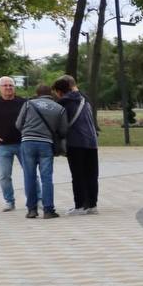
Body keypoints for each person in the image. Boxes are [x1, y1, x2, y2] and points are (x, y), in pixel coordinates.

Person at [16, 84, 67, 220]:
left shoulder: (28, 104)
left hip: (27, 143)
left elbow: (18, 124)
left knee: (29, 176)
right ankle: (48, 210)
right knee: (47, 178)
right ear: (51, 93)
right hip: (46, 144)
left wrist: (28, 132)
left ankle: (32, 210)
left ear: (36, 93)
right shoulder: (59, 108)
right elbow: (63, 131)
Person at [52, 75, 100, 214]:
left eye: (56, 92)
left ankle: (79, 206)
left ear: (60, 91)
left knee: (78, 175)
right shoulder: (85, 99)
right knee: (91, 174)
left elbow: (60, 125)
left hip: (75, 142)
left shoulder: (64, 103)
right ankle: (92, 205)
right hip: (91, 142)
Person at [0, 76, 25, 212]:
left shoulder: (24, 102)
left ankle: (38, 199)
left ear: (14, 87)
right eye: (5, 85)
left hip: (23, 144)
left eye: (10, 85)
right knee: (4, 175)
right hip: (3, 145)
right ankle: (9, 201)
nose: (8, 88)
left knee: (30, 173)